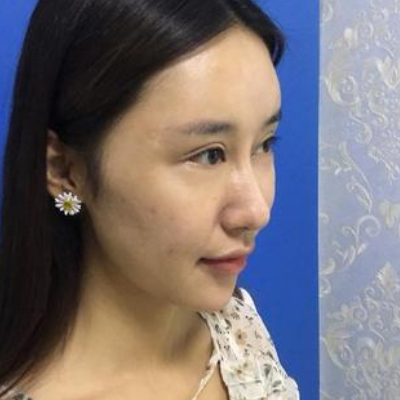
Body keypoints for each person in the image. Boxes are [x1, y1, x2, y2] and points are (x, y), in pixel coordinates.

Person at [0, 0, 300, 399]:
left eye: (264, 144)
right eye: (208, 155)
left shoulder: (237, 334)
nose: (256, 212)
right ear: (65, 170)